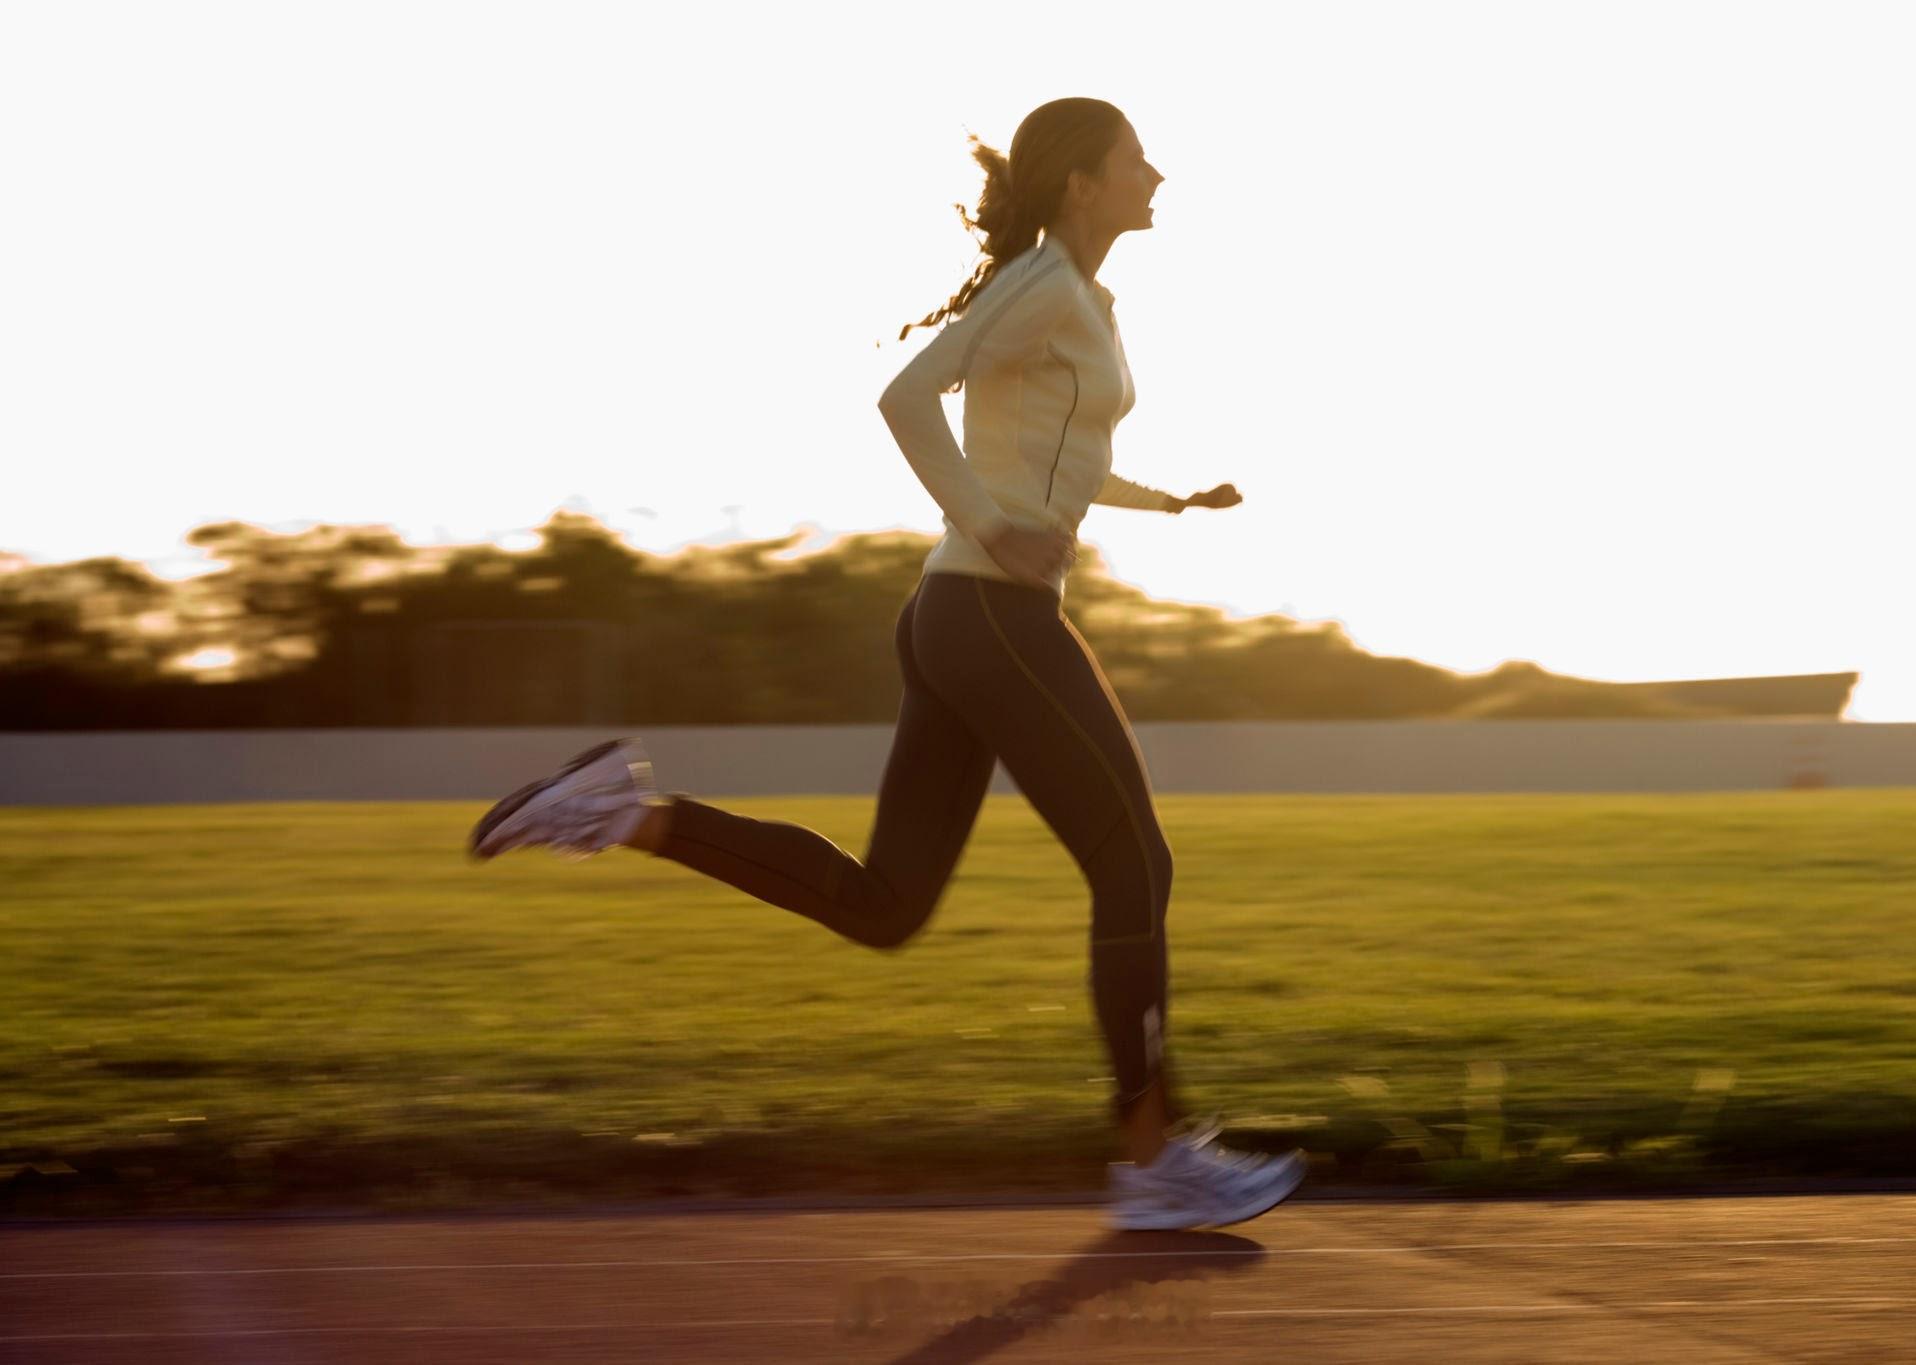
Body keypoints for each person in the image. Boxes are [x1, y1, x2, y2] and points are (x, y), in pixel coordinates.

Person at [468, 97, 1305, 1231]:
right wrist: (987, 519)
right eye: (1134, 159)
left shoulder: (1081, 298)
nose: (1156, 174)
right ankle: (1152, 1160)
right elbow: (907, 397)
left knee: (886, 905)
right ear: (1081, 184)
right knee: (1134, 863)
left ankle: (621, 815)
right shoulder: (1046, 283)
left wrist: (1163, 500)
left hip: (962, 617)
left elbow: (1054, 453)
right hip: (990, 615)